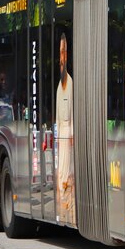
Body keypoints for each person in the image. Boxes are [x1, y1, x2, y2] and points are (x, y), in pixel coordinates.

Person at [55, 33, 75, 226]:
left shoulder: (70, 83)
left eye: (64, 52)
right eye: (60, 52)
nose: (61, 57)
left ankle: (68, 208)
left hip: (68, 136)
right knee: (60, 173)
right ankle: (62, 208)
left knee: (67, 174)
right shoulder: (58, 87)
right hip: (59, 136)